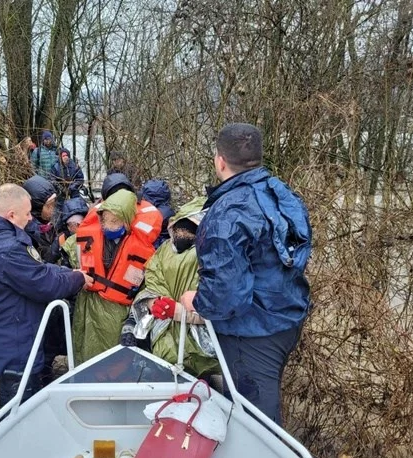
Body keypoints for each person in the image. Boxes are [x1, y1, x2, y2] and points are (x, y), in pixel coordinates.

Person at [179, 123, 312, 426]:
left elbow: (227, 297)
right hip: (288, 317)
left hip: (253, 333)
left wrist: (197, 301)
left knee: (258, 422)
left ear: (220, 161)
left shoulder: (226, 212)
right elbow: (296, 250)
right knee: (258, 404)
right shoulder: (280, 192)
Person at [0, 184, 92, 408]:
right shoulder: (8, 248)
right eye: (26, 214)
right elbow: (43, 283)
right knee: (19, 409)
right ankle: (18, 441)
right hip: (13, 345)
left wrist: (65, 272)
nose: (30, 220)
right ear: (11, 215)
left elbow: (33, 271)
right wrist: (78, 279)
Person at [120, 197, 219, 378]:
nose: (183, 235)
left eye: (190, 229)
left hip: (197, 351)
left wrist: (177, 311)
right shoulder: (165, 250)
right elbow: (151, 282)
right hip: (160, 339)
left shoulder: (213, 254)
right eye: (180, 228)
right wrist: (152, 302)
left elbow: (219, 304)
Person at [71, 189, 162, 363]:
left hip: (119, 312)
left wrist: (132, 321)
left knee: (114, 362)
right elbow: (72, 257)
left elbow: (147, 289)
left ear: (127, 221)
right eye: (105, 219)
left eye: (115, 220)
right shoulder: (87, 237)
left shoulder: (145, 251)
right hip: (87, 305)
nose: (108, 225)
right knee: (86, 356)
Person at [22, 175, 60, 264]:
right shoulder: (29, 232)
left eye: (53, 204)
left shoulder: (45, 222)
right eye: (48, 206)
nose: (52, 209)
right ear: (36, 207)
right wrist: (59, 243)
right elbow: (42, 262)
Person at [140, 179, 175, 248]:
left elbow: (146, 235)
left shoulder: (159, 214)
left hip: (156, 247)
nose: (142, 199)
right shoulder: (166, 209)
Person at [58, 196, 89, 268]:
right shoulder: (62, 239)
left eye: (79, 224)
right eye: (71, 225)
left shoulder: (94, 235)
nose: (75, 227)